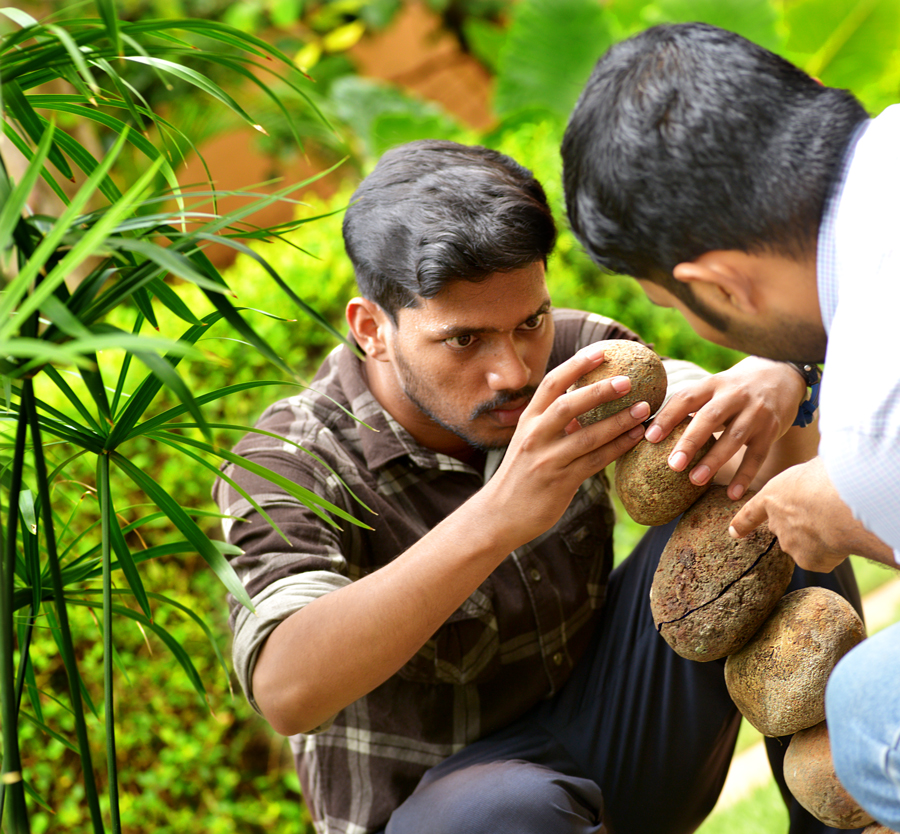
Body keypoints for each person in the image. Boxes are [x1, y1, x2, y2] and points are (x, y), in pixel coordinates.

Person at [214, 139, 859, 834]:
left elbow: (786, 474)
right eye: (464, 341)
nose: (514, 372)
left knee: (763, 518)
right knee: (502, 810)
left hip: (617, 731)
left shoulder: (580, 362)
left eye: (530, 322)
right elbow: (284, 690)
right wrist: (499, 516)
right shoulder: (285, 461)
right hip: (456, 814)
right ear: (371, 329)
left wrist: (783, 382)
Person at [561, 22, 900, 831]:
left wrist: (856, 509)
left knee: (870, 715)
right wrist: (797, 378)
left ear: (720, 285)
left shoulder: (875, 420)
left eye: (674, 306)